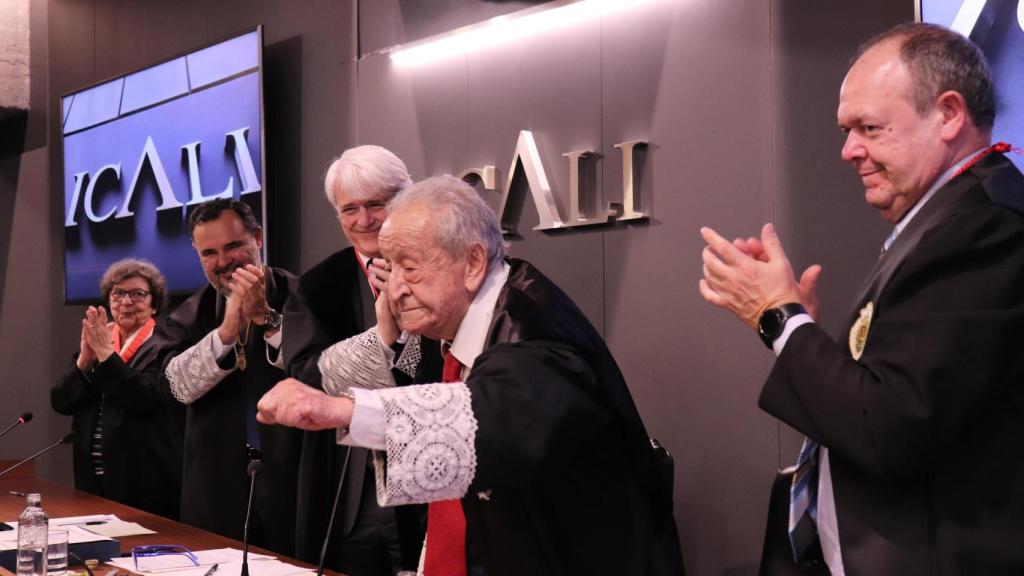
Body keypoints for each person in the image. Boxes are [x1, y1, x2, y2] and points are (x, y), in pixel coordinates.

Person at [699, 23, 1024, 575]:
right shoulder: (947, 218)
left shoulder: (982, 227)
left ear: (948, 114)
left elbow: (888, 429)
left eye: (870, 128)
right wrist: (796, 327)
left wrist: (779, 319)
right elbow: (895, 396)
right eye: (847, 130)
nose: (849, 150)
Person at [258, 175, 686, 575]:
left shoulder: (534, 334)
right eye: (390, 267)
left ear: (473, 263)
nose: (395, 289)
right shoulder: (454, 319)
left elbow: (490, 415)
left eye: (410, 267)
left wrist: (344, 410)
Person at [284, 145, 422, 574]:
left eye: (377, 204)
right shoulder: (317, 284)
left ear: (406, 197)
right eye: (350, 209)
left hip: (430, 469)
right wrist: (383, 335)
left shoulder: (442, 265)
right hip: (350, 487)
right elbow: (306, 375)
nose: (364, 221)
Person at [158, 199, 309, 555]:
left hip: (294, 478)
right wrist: (226, 333)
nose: (223, 261)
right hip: (217, 486)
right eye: (209, 253)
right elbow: (175, 388)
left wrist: (266, 319)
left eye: (233, 246)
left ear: (258, 237)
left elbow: (319, 370)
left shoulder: (303, 294)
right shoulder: (186, 315)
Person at [51, 259, 184, 519]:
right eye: (118, 293)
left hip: (145, 480)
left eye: (137, 294)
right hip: (92, 478)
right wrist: (84, 362)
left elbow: (144, 398)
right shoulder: (100, 343)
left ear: (154, 303)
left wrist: (105, 355)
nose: (126, 301)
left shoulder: (168, 345)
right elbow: (61, 402)